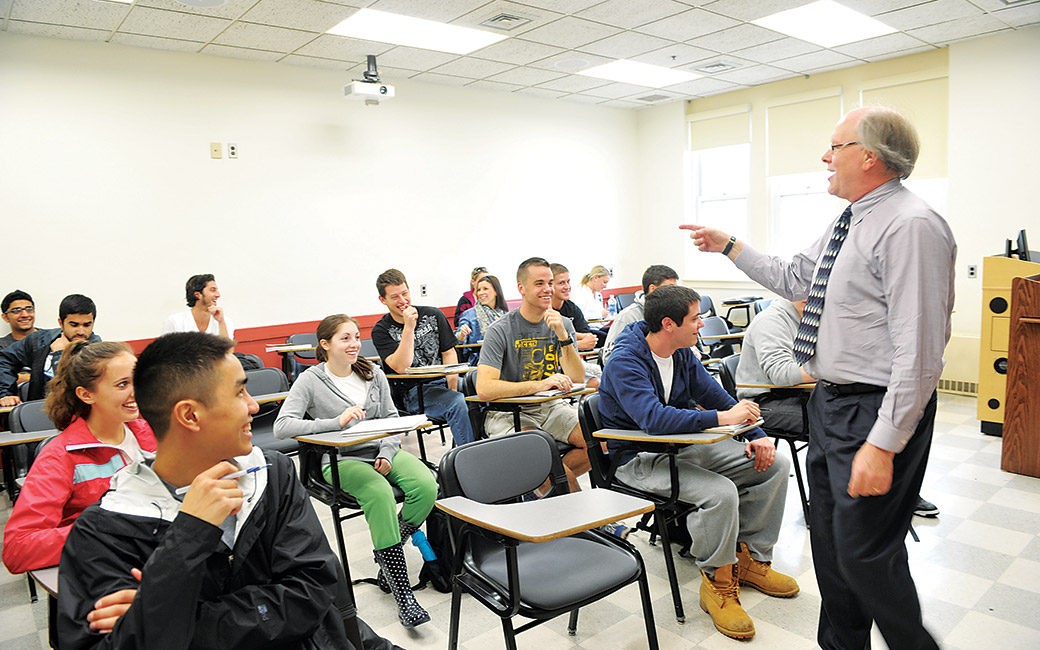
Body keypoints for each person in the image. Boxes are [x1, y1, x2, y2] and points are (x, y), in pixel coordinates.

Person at [684, 105, 954, 650]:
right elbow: (792, 277)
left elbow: (921, 350)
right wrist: (730, 246)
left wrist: (884, 442)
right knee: (831, 547)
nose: (825, 157)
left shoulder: (912, 225)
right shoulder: (849, 219)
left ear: (870, 157)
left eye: (837, 146)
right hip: (830, 405)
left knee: (865, 552)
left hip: (875, 410)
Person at [56, 332, 359, 649]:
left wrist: (173, 615)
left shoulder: (272, 474)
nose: (254, 406)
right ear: (189, 415)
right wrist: (190, 533)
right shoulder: (103, 531)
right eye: (240, 392)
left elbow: (312, 592)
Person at [599, 284, 797, 640]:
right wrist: (722, 419)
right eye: (695, 318)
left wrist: (755, 435)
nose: (702, 324)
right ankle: (717, 582)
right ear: (669, 324)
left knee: (775, 466)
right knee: (719, 493)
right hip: (637, 457)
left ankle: (749, 559)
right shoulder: (625, 360)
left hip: (680, 447)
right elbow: (654, 420)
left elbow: (714, 394)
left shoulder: (681, 351)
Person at [274, 314, 437, 628]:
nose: (354, 344)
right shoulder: (310, 379)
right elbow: (282, 426)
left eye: (355, 337)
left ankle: (386, 556)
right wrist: (335, 423)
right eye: (344, 338)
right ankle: (403, 594)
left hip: (379, 451)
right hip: (340, 460)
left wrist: (388, 452)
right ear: (325, 345)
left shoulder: (372, 372)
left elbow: (390, 419)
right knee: (378, 493)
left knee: (427, 484)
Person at [738, 298, 940, 519]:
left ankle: (901, 493)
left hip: (806, 393)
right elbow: (782, 374)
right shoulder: (771, 321)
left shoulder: (815, 316)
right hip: (766, 403)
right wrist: (839, 368)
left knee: (888, 413)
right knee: (850, 420)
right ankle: (831, 504)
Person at [2, 341, 156, 575]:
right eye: (123, 384)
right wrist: (106, 529)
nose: (137, 391)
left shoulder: (153, 433)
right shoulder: (61, 456)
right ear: (86, 394)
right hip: (109, 579)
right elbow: (19, 549)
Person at [476, 257, 590, 493]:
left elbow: (577, 377)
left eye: (550, 282)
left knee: (598, 443)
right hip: (509, 413)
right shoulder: (500, 329)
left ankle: (535, 486)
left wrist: (562, 335)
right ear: (522, 288)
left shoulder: (563, 324)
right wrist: (541, 384)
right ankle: (582, 514)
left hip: (551, 408)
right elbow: (485, 388)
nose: (547, 289)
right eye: (539, 283)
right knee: (547, 460)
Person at [372, 269, 474, 446]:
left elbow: (449, 352)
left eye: (405, 293)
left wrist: (452, 388)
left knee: (480, 387)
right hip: (415, 392)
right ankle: (469, 458)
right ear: (383, 300)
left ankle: (486, 446)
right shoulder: (381, 330)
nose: (403, 301)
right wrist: (408, 328)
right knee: (456, 402)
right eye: (395, 297)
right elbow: (401, 368)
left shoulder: (433, 315)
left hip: (446, 383)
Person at [0, 294, 100, 406]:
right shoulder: (38, 340)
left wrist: (59, 354)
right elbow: (5, 360)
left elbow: (69, 391)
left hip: (78, 413)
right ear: (61, 323)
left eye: (87, 325)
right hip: (38, 413)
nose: (81, 331)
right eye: (74, 325)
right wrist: (6, 394)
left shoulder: (95, 349)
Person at [602, 264, 679, 364]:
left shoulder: (674, 313)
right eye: (670, 288)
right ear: (653, 289)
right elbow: (608, 357)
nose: (675, 293)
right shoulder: (628, 316)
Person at [455, 274, 507, 363]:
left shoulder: (504, 314)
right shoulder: (469, 314)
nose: (481, 293)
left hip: (504, 357)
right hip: (479, 360)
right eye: (478, 290)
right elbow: (458, 339)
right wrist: (462, 335)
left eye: (485, 289)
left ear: (496, 291)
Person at [163, 273, 234, 339]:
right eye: (212, 290)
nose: (218, 295)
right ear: (197, 295)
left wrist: (221, 322)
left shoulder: (225, 322)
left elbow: (228, 352)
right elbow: (169, 351)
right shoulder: (175, 321)